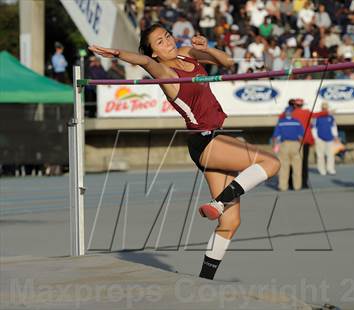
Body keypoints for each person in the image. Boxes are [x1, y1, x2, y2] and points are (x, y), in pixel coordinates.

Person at [89, 24, 280, 280]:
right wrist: (116, 53)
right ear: (154, 52)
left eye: (167, 36)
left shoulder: (187, 52)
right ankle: (219, 202)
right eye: (159, 41)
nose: (167, 42)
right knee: (271, 162)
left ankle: (204, 280)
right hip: (205, 140)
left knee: (230, 223)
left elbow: (225, 62)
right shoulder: (163, 70)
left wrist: (207, 49)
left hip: (215, 137)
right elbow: (143, 60)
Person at [279, 98, 328, 188]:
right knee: (304, 163)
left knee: (289, 163)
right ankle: (303, 183)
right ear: (302, 105)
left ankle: (290, 183)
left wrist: (289, 106)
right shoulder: (306, 112)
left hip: (292, 141)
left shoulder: (289, 113)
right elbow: (318, 114)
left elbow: (281, 117)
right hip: (305, 141)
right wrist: (326, 111)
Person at [272, 111, 304, 191]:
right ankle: (297, 186)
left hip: (284, 145)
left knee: (283, 167)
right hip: (296, 144)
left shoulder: (281, 122)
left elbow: (276, 136)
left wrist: (276, 147)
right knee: (297, 167)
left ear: (285, 114)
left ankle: (283, 186)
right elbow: (301, 136)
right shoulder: (297, 122)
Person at [313, 102, 338, 175]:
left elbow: (333, 126)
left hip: (330, 138)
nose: (324, 109)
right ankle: (322, 170)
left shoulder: (330, 117)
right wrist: (316, 138)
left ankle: (330, 169)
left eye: (326, 107)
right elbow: (314, 128)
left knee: (330, 155)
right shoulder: (317, 117)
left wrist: (335, 136)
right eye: (323, 107)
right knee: (320, 155)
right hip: (320, 138)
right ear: (321, 108)